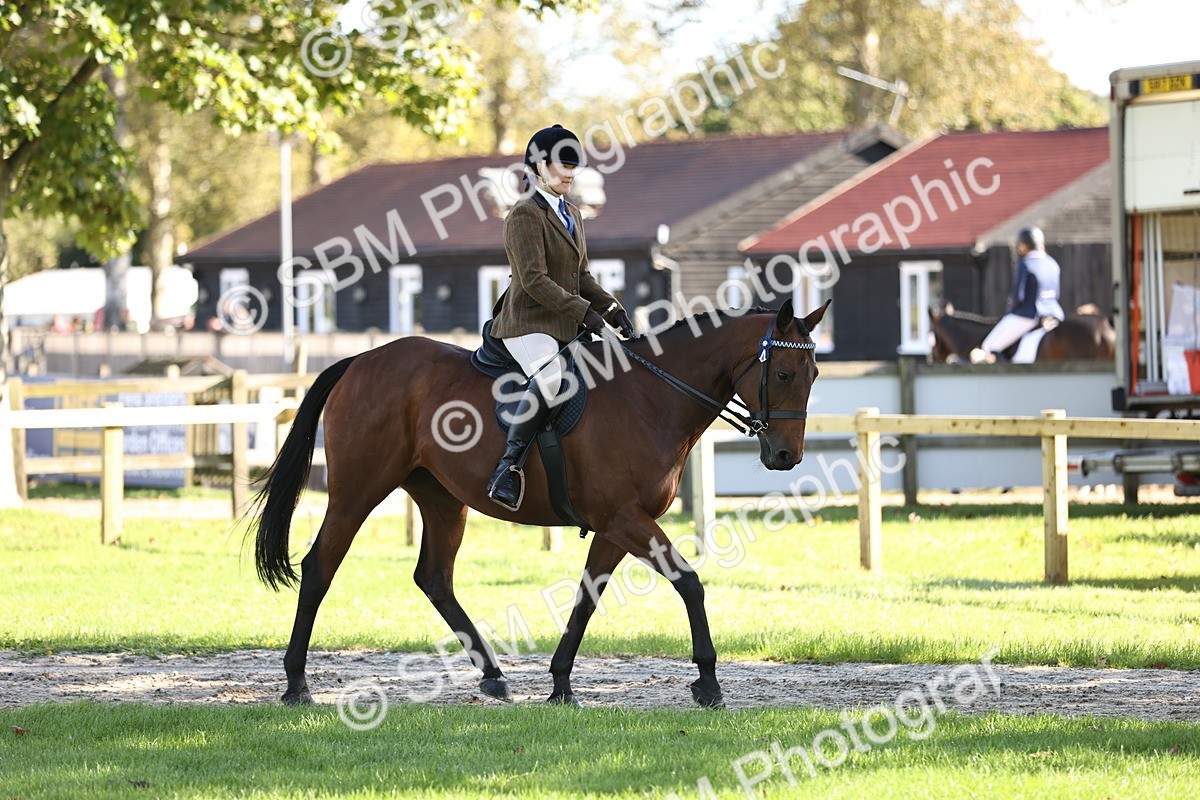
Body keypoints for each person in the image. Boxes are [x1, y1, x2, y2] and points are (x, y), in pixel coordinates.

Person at [486, 124, 635, 511]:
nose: (570, 174)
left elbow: (581, 276)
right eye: (561, 166)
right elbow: (534, 281)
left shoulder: (572, 213)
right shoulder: (523, 215)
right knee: (551, 379)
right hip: (526, 323)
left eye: (574, 166)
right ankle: (509, 468)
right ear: (538, 167)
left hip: (565, 322)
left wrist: (611, 309)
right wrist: (586, 314)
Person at [971, 226, 1065, 364]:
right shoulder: (1052, 263)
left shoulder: (1025, 264)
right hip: (1054, 314)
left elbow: (1018, 297)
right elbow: (1056, 294)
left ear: (1023, 246)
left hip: (1030, 315)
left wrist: (1009, 311)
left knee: (990, 346)